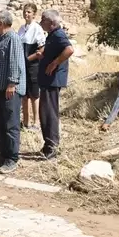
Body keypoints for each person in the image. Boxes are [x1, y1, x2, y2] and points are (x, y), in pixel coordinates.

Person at [0, 9, 25, 174]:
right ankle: (3, 154)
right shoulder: (2, 39)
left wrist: (12, 84)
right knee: (1, 124)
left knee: (11, 125)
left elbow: (15, 62)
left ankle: (12, 158)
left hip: (9, 90)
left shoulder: (13, 39)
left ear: (1, 23)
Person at [37, 8, 75, 159]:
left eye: (43, 20)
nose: (41, 23)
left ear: (51, 23)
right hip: (47, 80)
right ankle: (48, 145)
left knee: (50, 113)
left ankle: (52, 146)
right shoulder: (52, 35)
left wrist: (54, 63)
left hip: (52, 80)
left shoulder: (59, 34)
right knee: (45, 112)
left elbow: (69, 50)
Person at [19, 3, 45, 129]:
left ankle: (36, 122)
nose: (26, 14)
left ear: (34, 14)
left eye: (29, 12)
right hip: (22, 66)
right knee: (24, 94)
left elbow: (41, 49)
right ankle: (25, 121)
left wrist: (28, 59)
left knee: (34, 95)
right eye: (25, 11)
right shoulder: (21, 29)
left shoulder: (37, 29)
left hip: (33, 66)